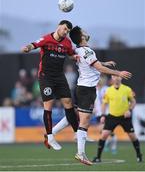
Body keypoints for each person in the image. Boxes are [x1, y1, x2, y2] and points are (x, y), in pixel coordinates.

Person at [69, 26, 132, 165]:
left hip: (82, 88)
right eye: (83, 32)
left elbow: (91, 63)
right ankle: (80, 153)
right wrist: (118, 73)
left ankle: (72, 144)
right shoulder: (87, 50)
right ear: (81, 37)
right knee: (84, 122)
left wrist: (103, 62)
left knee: (80, 120)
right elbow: (99, 68)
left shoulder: (79, 50)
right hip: (87, 89)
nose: (86, 33)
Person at [21, 20, 79, 150]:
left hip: (59, 76)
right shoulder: (47, 38)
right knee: (48, 105)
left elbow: (70, 54)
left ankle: (77, 134)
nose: (65, 32)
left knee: (69, 103)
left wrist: (75, 57)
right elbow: (34, 44)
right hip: (45, 76)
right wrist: (27, 48)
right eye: (64, 29)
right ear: (59, 26)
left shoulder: (67, 42)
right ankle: (50, 137)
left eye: (68, 31)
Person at [92, 75, 143, 163]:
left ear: (121, 78)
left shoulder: (127, 89)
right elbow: (104, 103)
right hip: (112, 116)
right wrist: (103, 115)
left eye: (118, 76)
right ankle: (98, 157)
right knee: (104, 135)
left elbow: (133, 101)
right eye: (114, 77)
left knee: (132, 136)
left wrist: (129, 110)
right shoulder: (108, 90)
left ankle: (139, 155)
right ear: (112, 78)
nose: (116, 78)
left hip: (124, 117)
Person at [93, 75, 117, 154]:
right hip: (98, 113)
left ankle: (112, 146)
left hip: (107, 112)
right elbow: (94, 101)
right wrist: (93, 108)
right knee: (103, 131)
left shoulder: (107, 89)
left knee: (109, 131)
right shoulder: (94, 89)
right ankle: (108, 144)